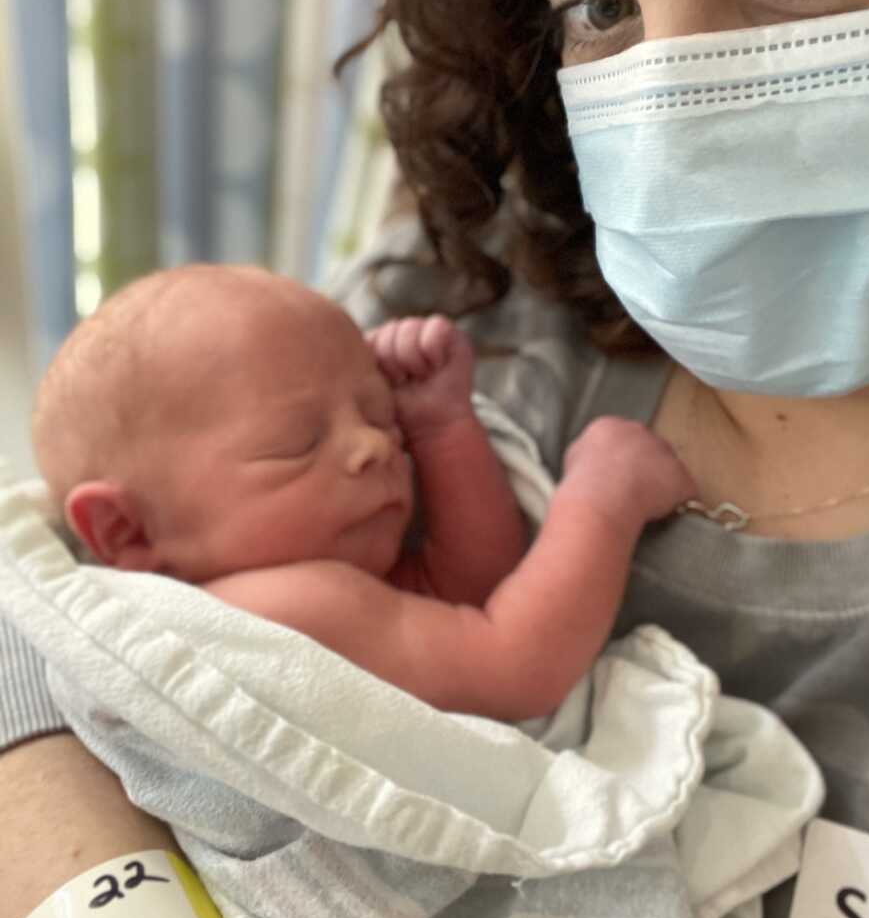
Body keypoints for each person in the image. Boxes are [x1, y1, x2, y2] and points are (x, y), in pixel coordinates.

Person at [2, 0, 869, 918]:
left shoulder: (379, 399)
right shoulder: (469, 290)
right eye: (598, 6)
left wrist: (442, 433)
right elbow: (33, 612)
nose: (672, 108)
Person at [30, 262, 691, 721]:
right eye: (295, 441)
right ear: (126, 531)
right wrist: (603, 501)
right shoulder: (282, 605)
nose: (374, 446)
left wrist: (439, 430)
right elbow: (516, 663)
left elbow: (466, 587)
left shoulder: (305, 582)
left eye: (380, 416)